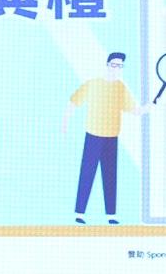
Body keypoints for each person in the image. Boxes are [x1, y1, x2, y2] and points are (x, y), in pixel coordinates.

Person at [64, 51, 152, 225]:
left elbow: (135, 111)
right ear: (107, 64)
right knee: (87, 174)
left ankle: (111, 215)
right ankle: (79, 212)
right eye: (114, 65)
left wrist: (150, 107)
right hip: (93, 135)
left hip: (112, 137)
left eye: (120, 66)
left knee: (110, 175)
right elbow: (73, 102)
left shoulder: (121, 88)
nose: (117, 68)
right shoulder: (93, 84)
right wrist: (65, 125)